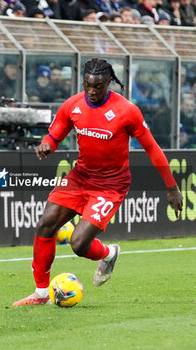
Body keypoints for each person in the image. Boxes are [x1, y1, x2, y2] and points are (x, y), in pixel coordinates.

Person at [13, 58, 183, 306]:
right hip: (80, 176)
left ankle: (109, 252)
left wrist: (172, 187)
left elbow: (153, 150)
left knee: (78, 244)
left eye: (98, 86)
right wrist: (49, 144)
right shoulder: (73, 105)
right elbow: (56, 131)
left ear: (109, 83)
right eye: (87, 85)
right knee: (45, 224)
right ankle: (40, 294)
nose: (92, 92)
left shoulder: (127, 111)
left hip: (111, 185)